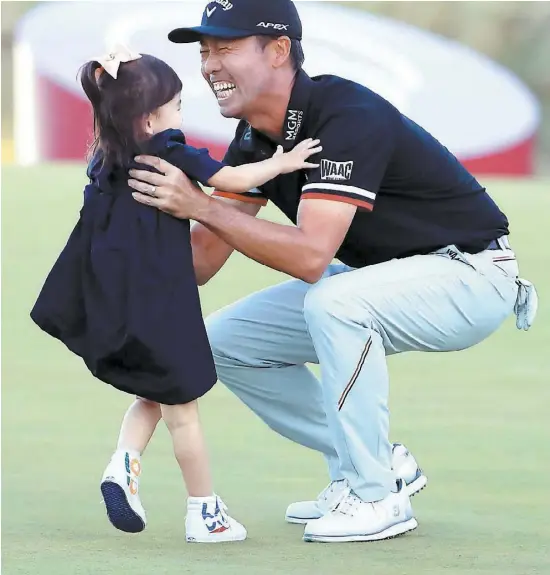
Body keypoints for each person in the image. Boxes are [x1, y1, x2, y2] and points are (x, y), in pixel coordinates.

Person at [127, 0, 538, 544]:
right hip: (387, 276)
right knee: (223, 342)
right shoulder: (255, 139)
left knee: (335, 302)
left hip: (472, 274)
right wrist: (123, 230)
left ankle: (375, 495)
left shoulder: (345, 115)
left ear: (278, 51)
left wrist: (200, 205)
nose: (208, 65)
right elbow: (201, 262)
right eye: (204, 51)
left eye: (225, 48)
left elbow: (310, 257)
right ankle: (379, 463)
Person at [29, 44, 322, 544]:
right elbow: (230, 178)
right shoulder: (168, 149)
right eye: (177, 106)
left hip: (123, 305)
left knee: (155, 389)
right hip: (164, 304)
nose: (180, 116)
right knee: (183, 411)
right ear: (149, 118)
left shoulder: (105, 163)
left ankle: (123, 465)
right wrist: (283, 162)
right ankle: (204, 513)